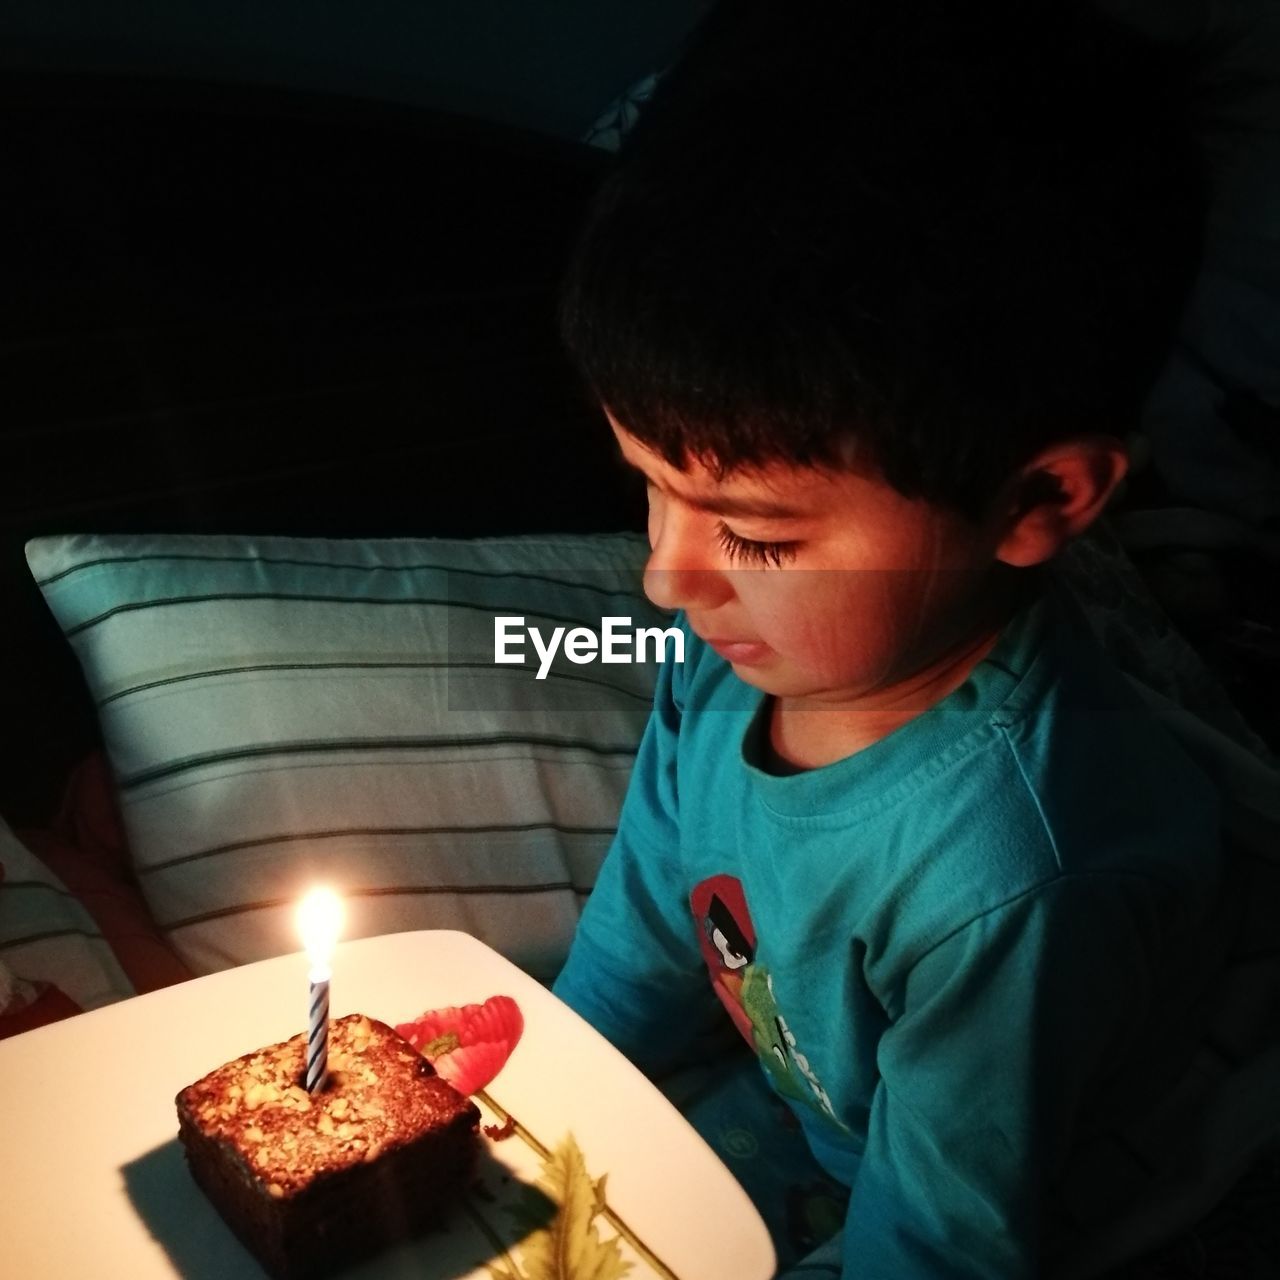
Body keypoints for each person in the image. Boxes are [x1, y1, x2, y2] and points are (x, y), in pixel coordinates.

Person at [551, 1, 1279, 1276]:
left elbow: (944, 1236)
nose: (667, 578)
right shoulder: (734, 663)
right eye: (645, 485)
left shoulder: (1014, 874)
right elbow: (637, 939)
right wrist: (538, 1088)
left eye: (756, 534)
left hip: (1032, 1194)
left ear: (1037, 501)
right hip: (826, 1121)